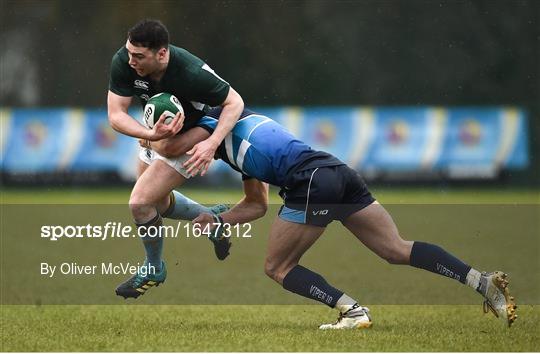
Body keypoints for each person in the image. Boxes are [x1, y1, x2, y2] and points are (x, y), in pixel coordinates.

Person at [149, 106, 517, 329]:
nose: (192, 157)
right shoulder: (239, 135)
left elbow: (171, 145)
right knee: (394, 249)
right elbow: (256, 205)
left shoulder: (215, 128)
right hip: (338, 170)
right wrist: (220, 221)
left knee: (277, 267)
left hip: (310, 182)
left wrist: (150, 140)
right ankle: (481, 282)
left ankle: (352, 312)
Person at [107, 19, 244, 298]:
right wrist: (150, 134)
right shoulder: (124, 60)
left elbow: (235, 102)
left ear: (162, 53)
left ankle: (154, 267)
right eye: (129, 52)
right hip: (156, 133)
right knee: (156, 202)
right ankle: (212, 222)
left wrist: (211, 143)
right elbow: (116, 115)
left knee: (140, 203)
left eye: (139, 56)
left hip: (193, 132)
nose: (130, 61)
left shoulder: (191, 72)